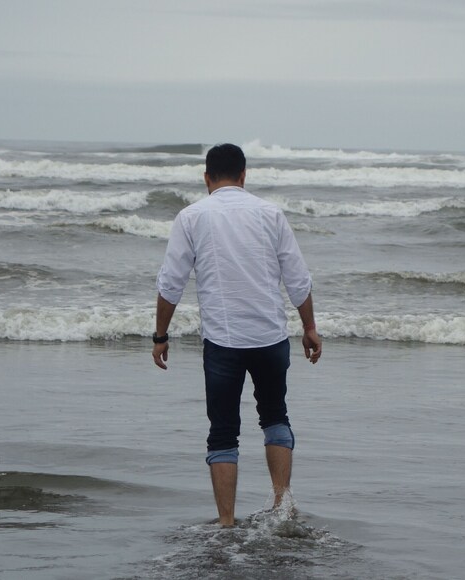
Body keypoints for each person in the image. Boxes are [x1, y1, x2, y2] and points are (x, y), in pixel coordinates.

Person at [152, 143, 322, 527]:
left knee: (223, 434)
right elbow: (298, 279)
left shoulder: (191, 217)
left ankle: (227, 524)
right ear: (244, 176)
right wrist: (309, 328)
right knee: (276, 417)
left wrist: (160, 335)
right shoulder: (269, 213)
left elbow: (170, 283)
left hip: (223, 343)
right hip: (271, 339)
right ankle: (282, 507)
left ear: (207, 178)